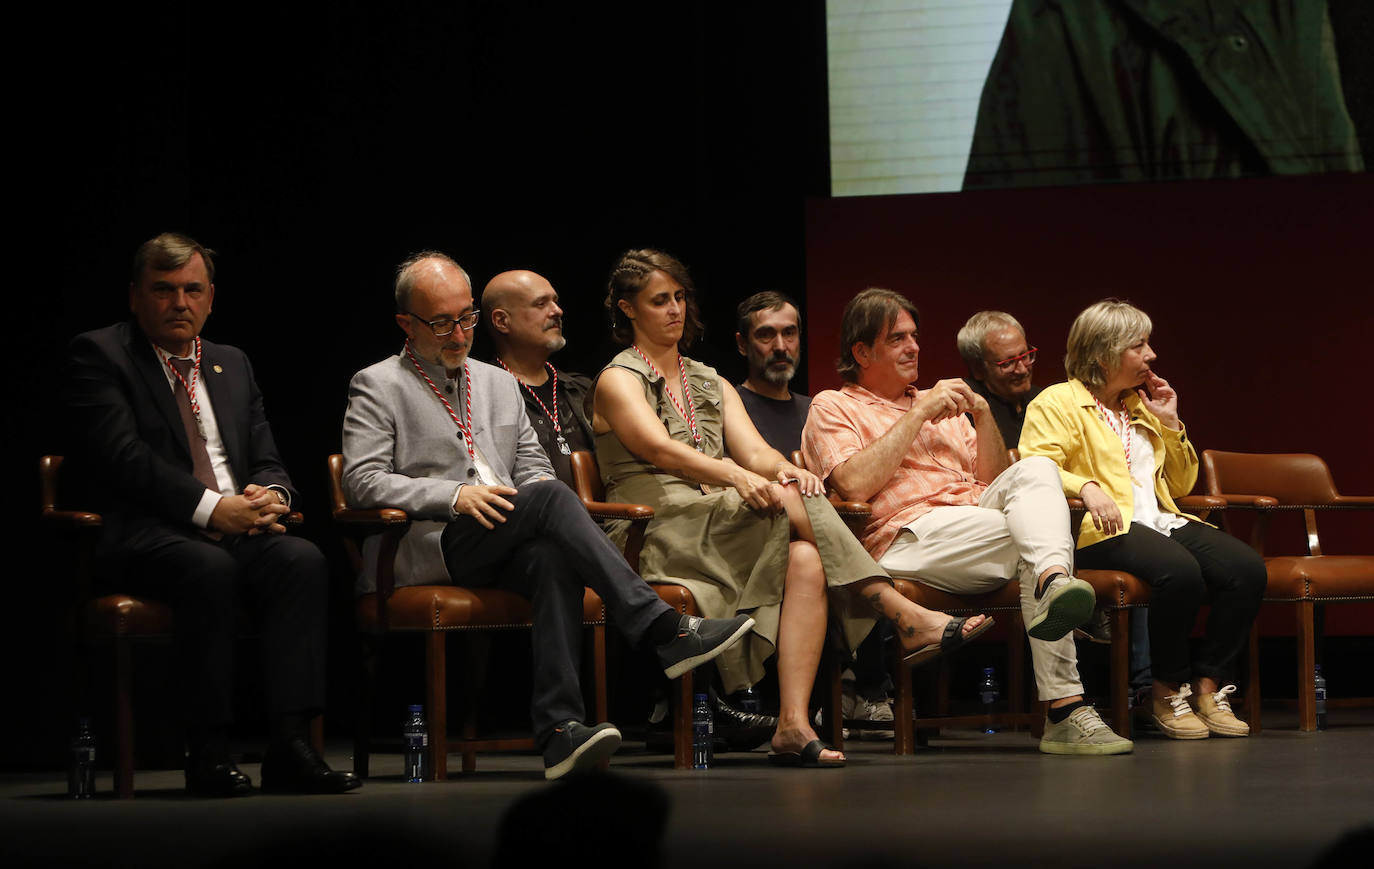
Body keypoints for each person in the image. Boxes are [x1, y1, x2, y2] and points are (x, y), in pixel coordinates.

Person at [341, 252, 753, 780]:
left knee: (549, 556)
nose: (457, 333)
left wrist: (529, 498)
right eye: (441, 322)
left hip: (502, 534)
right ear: (406, 323)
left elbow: (532, 464)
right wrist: (453, 496)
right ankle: (661, 629)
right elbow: (362, 480)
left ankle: (559, 731)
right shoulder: (377, 383)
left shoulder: (495, 381)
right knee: (556, 499)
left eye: (465, 318)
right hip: (430, 541)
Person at [593, 250, 990, 768]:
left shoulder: (704, 378)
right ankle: (899, 612)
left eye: (680, 298)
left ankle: (792, 724)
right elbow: (659, 450)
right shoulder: (617, 379)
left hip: (716, 516)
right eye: (659, 300)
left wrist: (786, 470)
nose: (675, 310)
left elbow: (755, 452)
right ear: (628, 310)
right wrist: (739, 476)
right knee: (790, 503)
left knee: (805, 551)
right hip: (654, 523)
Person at [62, 232, 360, 796]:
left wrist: (273, 495)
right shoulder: (100, 355)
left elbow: (267, 454)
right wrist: (211, 509)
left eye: (192, 290)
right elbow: (124, 459)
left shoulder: (231, 363)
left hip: (236, 527)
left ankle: (291, 747)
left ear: (211, 299)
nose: (180, 303)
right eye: (164, 290)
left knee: (300, 559)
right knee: (209, 569)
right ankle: (208, 751)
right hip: (146, 534)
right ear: (134, 296)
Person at [802, 288, 1133, 755]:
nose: (914, 347)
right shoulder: (834, 406)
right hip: (906, 537)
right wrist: (917, 413)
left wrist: (979, 411)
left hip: (976, 529)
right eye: (897, 339)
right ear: (861, 351)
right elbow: (854, 485)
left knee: (1036, 471)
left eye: (914, 336)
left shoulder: (948, 405)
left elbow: (1000, 482)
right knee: (1039, 539)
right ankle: (1064, 709)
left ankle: (1055, 583)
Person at [1020, 300, 1265, 739]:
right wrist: (1087, 487)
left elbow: (1182, 481)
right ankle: (1166, 690)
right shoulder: (1056, 402)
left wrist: (1170, 423)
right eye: (1138, 345)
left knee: (1246, 570)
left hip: (1159, 518)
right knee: (1179, 572)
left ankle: (1208, 687)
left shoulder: (1140, 405)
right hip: (1100, 528)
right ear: (1103, 354)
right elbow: (1036, 467)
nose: (1151, 355)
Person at [736, 291, 895, 740]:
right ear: (743, 344)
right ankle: (858, 689)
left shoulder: (819, 410)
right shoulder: (734, 412)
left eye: (790, 333)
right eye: (766, 335)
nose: (781, 345)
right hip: (761, 540)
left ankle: (858, 691)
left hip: (828, 538)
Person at [480, 270, 593, 489]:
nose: (557, 311)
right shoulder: (483, 397)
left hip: (607, 519)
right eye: (541, 304)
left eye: (555, 301)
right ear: (502, 321)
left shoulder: (582, 389)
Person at [956, 310, 1042, 448]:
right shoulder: (963, 410)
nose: (1022, 370)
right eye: (1008, 363)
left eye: (1025, 356)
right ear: (978, 369)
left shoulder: (1043, 398)